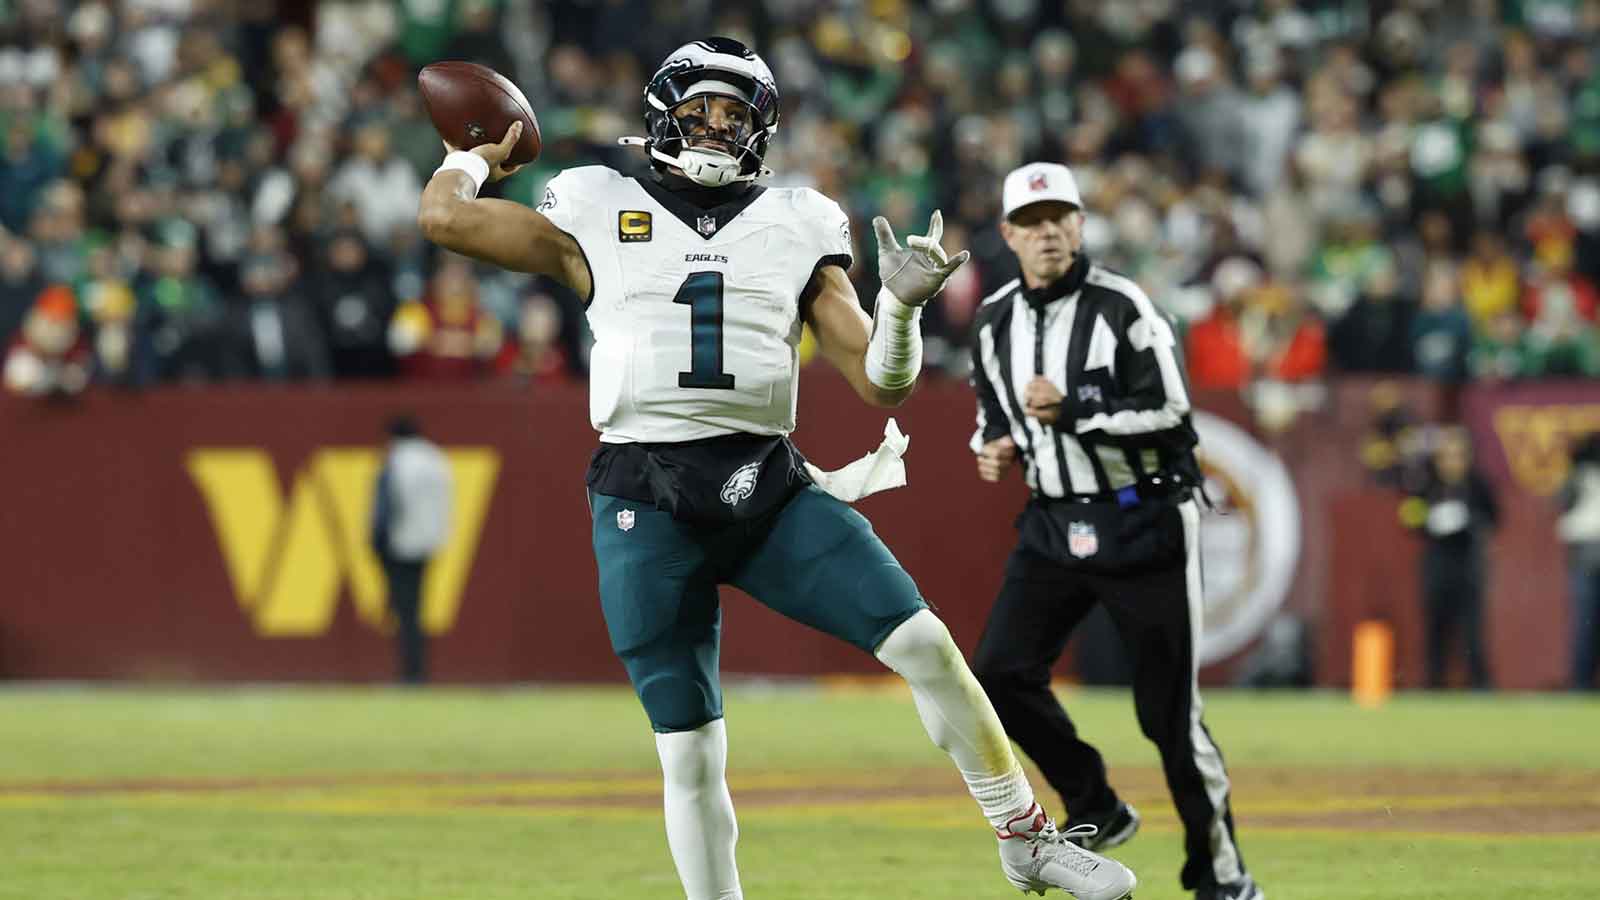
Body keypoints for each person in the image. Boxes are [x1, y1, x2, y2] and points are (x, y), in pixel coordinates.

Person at [415, 38, 1136, 900]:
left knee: (928, 646)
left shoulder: (798, 221)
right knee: (690, 752)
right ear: (664, 110)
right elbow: (445, 220)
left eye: (737, 113)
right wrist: (467, 154)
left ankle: (1026, 838)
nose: (718, 126)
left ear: (763, 129)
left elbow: (881, 383)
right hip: (647, 498)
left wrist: (900, 307)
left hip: (768, 490)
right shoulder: (595, 203)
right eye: (703, 107)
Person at [967, 161, 1263, 900]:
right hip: (1052, 520)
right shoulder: (993, 320)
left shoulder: (1124, 307)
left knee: (1168, 718)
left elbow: (1174, 420)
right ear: (1008, 235)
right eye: (1031, 224)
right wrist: (992, 447)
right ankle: (1092, 799)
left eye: (1059, 218)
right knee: (998, 674)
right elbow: (993, 417)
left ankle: (1221, 874)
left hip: (1141, 519)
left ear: (1080, 225)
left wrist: (1073, 414)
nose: (1047, 234)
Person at [1399, 426, 1497, 689]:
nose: (1453, 461)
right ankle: (1434, 683)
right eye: (1447, 455)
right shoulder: (1427, 485)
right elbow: (1409, 518)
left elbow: (1494, 517)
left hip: (1467, 562)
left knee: (1472, 631)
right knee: (1436, 628)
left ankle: (1480, 685)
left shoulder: (1476, 484)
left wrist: (1469, 520)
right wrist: (1430, 520)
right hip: (1437, 563)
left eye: (1458, 455)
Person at [370, 414, 453, 684]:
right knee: (415, 610)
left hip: (400, 544)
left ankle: (411, 673)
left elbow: (387, 506)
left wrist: (377, 542)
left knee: (405, 612)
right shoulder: (435, 458)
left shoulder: (397, 461)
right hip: (427, 543)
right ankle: (416, 671)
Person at [1558, 432, 1600, 691]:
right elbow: (1561, 503)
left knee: (1585, 623)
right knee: (1585, 624)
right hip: (1584, 560)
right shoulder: (1578, 479)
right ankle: (1581, 682)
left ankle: (1581, 681)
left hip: (1583, 557)